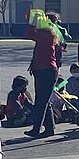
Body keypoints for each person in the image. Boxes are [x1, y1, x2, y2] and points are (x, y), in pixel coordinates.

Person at [25, 11, 60, 139]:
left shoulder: (45, 34)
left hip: (45, 71)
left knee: (40, 101)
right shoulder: (50, 34)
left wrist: (32, 22)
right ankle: (49, 128)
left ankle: (36, 128)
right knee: (44, 101)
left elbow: (28, 33)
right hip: (46, 70)